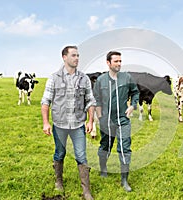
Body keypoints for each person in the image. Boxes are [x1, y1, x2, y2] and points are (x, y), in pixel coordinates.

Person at [41, 45, 95, 200]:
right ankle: (58, 181)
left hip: (78, 124)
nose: (77, 58)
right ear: (64, 57)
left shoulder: (84, 78)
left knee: (81, 155)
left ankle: (86, 191)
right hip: (60, 124)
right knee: (60, 152)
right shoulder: (54, 78)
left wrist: (90, 121)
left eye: (78, 55)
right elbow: (46, 101)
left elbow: (90, 101)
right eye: (73, 55)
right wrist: (46, 123)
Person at [93, 51, 139, 192]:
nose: (119, 64)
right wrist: (100, 116)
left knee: (125, 148)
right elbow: (96, 98)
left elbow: (135, 92)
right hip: (106, 120)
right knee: (105, 146)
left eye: (120, 61)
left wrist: (132, 105)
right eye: (116, 61)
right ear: (108, 63)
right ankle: (103, 169)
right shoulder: (101, 80)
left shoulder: (127, 78)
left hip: (123, 120)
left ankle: (124, 180)